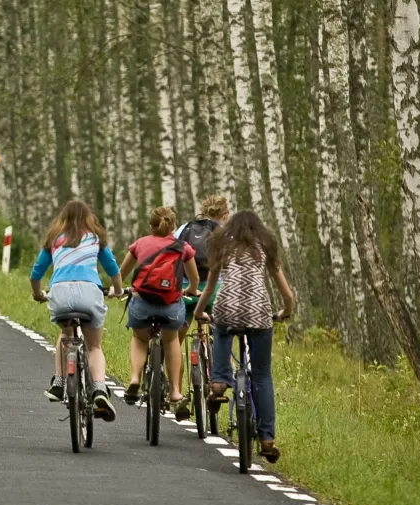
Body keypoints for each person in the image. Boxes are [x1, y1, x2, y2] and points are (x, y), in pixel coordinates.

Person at [193, 209, 294, 463]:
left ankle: (218, 382)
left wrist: (198, 312)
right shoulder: (264, 248)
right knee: (261, 373)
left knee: (222, 329)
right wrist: (285, 312)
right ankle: (267, 439)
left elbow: (209, 287)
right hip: (258, 311)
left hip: (227, 308)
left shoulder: (222, 247)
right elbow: (288, 295)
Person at [30, 199, 123, 421]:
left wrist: (38, 294)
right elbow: (113, 270)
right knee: (94, 346)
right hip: (89, 292)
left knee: (64, 334)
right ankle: (99, 389)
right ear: (88, 218)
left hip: (59, 293)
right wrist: (117, 291)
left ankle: (60, 383)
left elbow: (36, 273)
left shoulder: (54, 239)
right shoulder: (95, 238)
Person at [119, 206, 199, 409]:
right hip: (170, 306)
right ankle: (174, 391)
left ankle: (135, 378)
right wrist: (190, 290)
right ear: (173, 226)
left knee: (139, 338)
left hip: (143, 303)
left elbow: (121, 274)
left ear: (151, 225)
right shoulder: (183, 247)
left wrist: (118, 289)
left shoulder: (139, 244)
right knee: (171, 339)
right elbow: (194, 279)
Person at [171, 194, 230, 417]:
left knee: (174, 342)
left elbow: (172, 255)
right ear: (224, 214)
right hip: (214, 292)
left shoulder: (184, 228)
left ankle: (175, 390)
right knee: (220, 336)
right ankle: (216, 381)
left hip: (186, 291)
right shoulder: (226, 233)